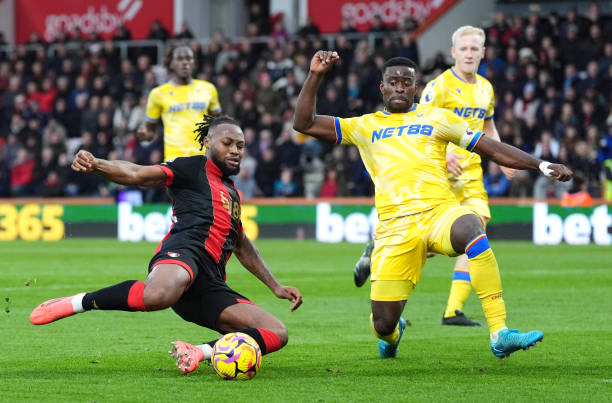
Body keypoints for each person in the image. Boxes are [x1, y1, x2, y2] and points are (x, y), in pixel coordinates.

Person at [293, 51, 572, 359]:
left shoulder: (438, 118)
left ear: (416, 88)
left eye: (406, 83)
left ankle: (499, 332)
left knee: (472, 226)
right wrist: (316, 75)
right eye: (393, 82)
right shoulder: (363, 126)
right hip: (394, 229)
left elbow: (489, 147)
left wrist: (540, 164)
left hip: (439, 214)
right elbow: (303, 123)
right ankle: (393, 333)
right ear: (382, 87)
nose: (399, 88)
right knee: (383, 324)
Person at [30, 115, 303, 374]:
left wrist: (275, 286)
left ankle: (198, 352)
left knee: (277, 332)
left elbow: (242, 245)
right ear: (208, 143)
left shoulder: (232, 193)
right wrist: (97, 164)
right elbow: (138, 174)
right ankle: (79, 302)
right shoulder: (192, 167)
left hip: (209, 284)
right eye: (227, 143)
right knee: (158, 296)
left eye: (240, 146)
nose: (235, 150)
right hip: (184, 253)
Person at [353, 26, 516, 328]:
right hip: (438, 172)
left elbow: (488, 126)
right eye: (463, 48)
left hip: (471, 175)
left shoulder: (486, 89)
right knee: (420, 244)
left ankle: (453, 310)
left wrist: (501, 155)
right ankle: (380, 261)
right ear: (454, 52)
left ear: (483, 52)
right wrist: (448, 152)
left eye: (475, 48)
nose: (469, 53)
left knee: (475, 230)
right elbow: (416, 125)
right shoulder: (438, 87)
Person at [139, 45, 222, 161]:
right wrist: (144, 135)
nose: (185, 62)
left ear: (194, 62)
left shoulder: (208, 89)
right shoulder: (158, 94)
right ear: (171, 63)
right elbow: (150, 132)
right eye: (179, 59)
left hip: (203, 160)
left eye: (188, 58)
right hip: (174, 161)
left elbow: (218, 124)